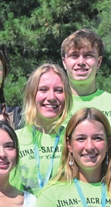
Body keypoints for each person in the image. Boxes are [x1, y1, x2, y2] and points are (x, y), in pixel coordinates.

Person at [59, 29, 111, 183]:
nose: (81, 62)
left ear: (99, 61)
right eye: (74, 55)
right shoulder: (52, 106)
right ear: (64, 62)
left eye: (88, 55)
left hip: (107, 200)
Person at [12, 64, 72, 198]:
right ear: (31, 94)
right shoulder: (13, 140)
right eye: (43, 89)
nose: (51, 97)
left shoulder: (75, 139)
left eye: (58, 90)